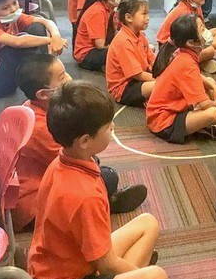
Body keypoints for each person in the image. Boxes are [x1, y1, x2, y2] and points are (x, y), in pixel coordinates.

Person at [27, 81, 168, 279]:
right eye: (107, 127)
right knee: (156, 276)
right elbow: (106, 264)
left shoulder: (60, 161)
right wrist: (141, 276)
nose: (113, 127)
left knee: (148, 223)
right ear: (84, 141)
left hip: (63, 261)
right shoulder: (86, 196)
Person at [12, 55, 148, 232]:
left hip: (35, 186)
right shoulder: (40, 129)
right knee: (104, 177)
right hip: (33, 205)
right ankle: (103, 205)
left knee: (101, 174)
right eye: (62, 77)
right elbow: (74, 162)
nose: (69, 77)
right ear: (43, 94)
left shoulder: (31, 107)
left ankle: (106, 200)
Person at [147, 14, 216, 143]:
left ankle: (200, 126)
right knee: (214, 113)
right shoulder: (187, 63)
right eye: (202, 29)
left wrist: (214, 87)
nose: (206, 32)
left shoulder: (183, 53)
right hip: (163, 122)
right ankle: (199, 128)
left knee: (210, 82)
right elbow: (205, 104)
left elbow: (200, 79)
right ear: (191, 42)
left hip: (170, 109)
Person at [0, 0, 67, 98]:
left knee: (37, 27)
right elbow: (17, 42)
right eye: (5, 8)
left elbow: (46, 22)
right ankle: (45, 77)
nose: (13, 9)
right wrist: (50, 40)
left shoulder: (12, 17)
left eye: (14, 2)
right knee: (15, 47)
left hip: (6, 73)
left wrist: (56, 36)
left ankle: (45, 76)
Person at [106, 0, 156, 106]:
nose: (148, 18)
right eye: (144, 14)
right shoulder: (123, 41)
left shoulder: (140, 35)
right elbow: (138, 75)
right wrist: (163, 79)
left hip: (139, 79)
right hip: (124, 88)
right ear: (129, 17)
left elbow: (153, 59)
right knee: (164, 85)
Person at [74, 0, 126, 71]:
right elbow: (100, 45)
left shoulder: (112, 8)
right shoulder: (97, 12)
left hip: (101, 48)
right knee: (123, 51)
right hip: (87, 54)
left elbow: (118, 31)